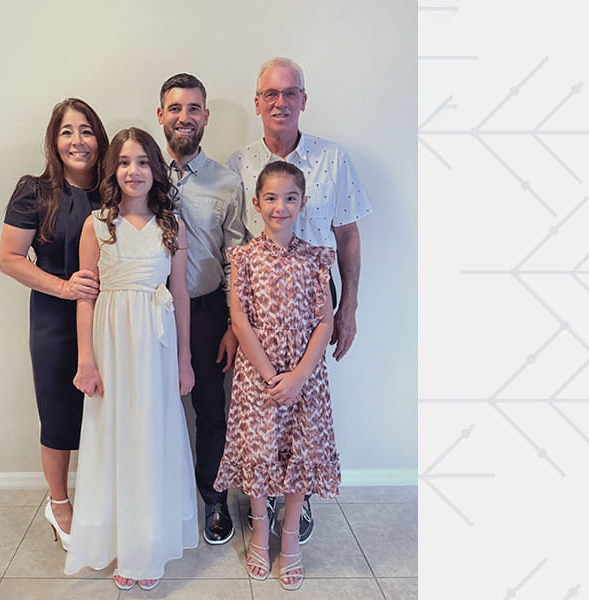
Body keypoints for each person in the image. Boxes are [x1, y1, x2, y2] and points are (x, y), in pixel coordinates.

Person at [226, 56, 372, 543]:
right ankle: (259, 506)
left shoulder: (333, 158)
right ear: (257, 103)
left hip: (314, 297)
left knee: (304, 402)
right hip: (257, 302)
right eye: (271, 93)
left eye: (290, 93)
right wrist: (233, 320)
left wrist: (347, 307)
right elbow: (232, 242)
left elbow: (347, 236)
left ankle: (297, 501)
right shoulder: (238, 164)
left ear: (304, 100)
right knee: (265, 406)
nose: (281, 102)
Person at [65, 127, 198, 591]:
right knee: (116, 436)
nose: (133, 170)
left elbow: (179, 294)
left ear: (154, 170)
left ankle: (150, 543)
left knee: (152, 435)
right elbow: (86, 296)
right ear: (112, 170)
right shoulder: (97, 225)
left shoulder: (170, 226)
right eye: (123, 162)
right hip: (111, 345)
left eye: (142, 161)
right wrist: (86, 360)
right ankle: (121, 541)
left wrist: (184, 359)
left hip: (157, 347)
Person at [214, 161, 339, 591]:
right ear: (256, 203)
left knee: (298, 456)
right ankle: (260, 530)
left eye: (289, 198)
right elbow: (239, 319)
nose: (280, 207)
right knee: (261, 454)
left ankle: (289, 540)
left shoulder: (318, 258)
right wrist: (271, 377)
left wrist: (299, 376)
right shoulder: (244, 257)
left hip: (304, 382)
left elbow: (325, 321)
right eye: (271, 197)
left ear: (302, 203)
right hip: (258, 379)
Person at [0, 98, 109, 551]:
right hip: (53, 317)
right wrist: (64, 288)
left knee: (105, 410)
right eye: (67, 131)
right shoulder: (34, 191)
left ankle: (103, 499)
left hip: (109, 317)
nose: (77, 141)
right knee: (59, 410)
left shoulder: (116, 188)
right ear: (54, 140)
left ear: (99, 137)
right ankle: (59, 502)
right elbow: (8, 259)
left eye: (85, 130)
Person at [156, 73, 246, 544]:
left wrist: (233, 323)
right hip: (149, 311)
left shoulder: (227, 183)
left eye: (193, 108)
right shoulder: (138, 172)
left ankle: (214, 501)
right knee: (151, 408)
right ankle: (155, 502)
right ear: (161, 115)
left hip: (208, 311)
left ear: (205, 117)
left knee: (212, 410)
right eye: (175, 108)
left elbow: (236, 259)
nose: (184, 117)